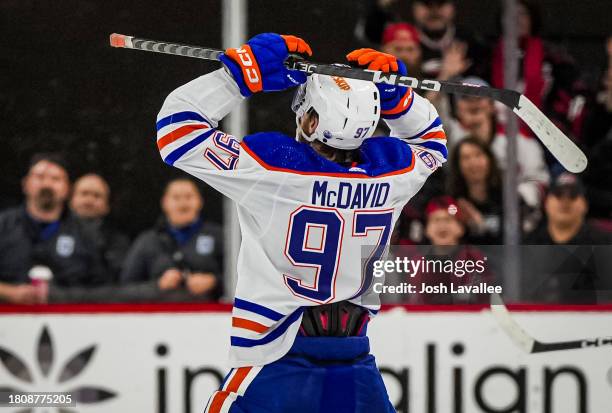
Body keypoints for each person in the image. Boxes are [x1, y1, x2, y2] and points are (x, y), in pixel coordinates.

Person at [156, 33, 446, 412]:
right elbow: (432, 141)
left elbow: (175, 131)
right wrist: (400, 101)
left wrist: (238, 77)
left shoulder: (274, 166)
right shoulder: (393, 171)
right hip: (356, 365)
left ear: (310, 120)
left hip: (276, 359)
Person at [0, 154, 108, 304]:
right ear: (25, 184)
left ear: (67, 189)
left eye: (55, 179)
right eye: (39, 177)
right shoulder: (3, 226)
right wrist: (9, 293)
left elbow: (103, 290)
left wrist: (59, 296)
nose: (47, 184)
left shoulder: (87, 235)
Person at [448, 76, 550, 216]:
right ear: (458, 108)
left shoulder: (519, 141)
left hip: (514, 216)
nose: (473, 102)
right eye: (466, 98)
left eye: (479, 96)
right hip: (464, 215)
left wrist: (517, 199)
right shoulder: (448, 136)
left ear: (491, 105)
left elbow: (540, 181)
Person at [120, 178, 223, 300]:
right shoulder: (147, 241)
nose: (183, 203)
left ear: (200, 201)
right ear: (164, 203)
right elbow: (125, 288)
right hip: (158, 316)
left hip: (211, 316)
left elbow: (242, 277)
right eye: (176, 197)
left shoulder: (219, 236)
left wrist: (214, 281)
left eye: (189, 197)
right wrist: (157, 286)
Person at [524, 173, 612, 303]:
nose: (565, 201)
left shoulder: (604, 244)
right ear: (546, 202)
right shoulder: (529, 245)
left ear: (585, 204)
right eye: (558, 195)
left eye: (573, 195)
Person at [405, 196, 492, 304]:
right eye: (435, 220)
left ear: (461, 228)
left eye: (448, 219)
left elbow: (485, 300)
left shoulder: (474, 259)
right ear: (427, 230)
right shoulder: (417, 263)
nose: (442, 226)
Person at [70, 173, 130, 281]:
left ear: (107, 206)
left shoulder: (118, 241)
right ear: (71, 199)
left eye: (97, 196)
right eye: (84, 193)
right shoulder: (53, 231)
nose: (89, 201)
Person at [448, 137, 504, 244]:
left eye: (478, 155)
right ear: (458, 165)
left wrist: (480, 224)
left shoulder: (507, 198)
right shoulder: (452, 203)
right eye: (466, 158)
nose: (473, 163)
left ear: (489, 159)